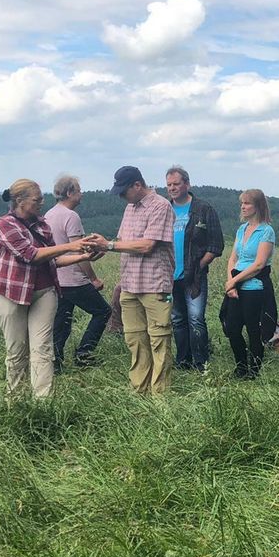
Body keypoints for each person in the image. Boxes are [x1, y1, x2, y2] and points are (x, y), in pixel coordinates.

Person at [0, 179, 94, 398]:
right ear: (20, 201)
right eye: (37, 200)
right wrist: (71, 245)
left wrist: (83, 256)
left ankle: (43, 401)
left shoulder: (42, 224)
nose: (41, 203)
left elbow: (52, 260)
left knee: (43, 349)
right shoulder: (4, 224)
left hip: (44, 292)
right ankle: (15, 399)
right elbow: (30, 255)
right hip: (12, 294)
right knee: (17, 351)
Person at [97, 166, 176, 395]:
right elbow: (122, 240)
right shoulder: (130, 207)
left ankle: (160, 396)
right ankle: (139, 391)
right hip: (129, 285)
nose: (122, 196)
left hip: (154, 285)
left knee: (159, 340)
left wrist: (108, 245)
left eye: (124, 191)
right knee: (135, 339)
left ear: (137, 185)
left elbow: (147, 245)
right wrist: (98, 248)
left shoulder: (161, 206)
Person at [45, 176, 111, 372]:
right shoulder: (71, 216)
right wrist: (93, 279)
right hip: (74, 280)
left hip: (57, 279)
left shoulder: (49, 214)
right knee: (103, 312)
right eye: (79, 190)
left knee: (62, 321)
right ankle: (84, 354)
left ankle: (55, 362)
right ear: (69, 193)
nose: (81, 194)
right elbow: (79, 252)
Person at [164, 166, 224, 372]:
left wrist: (198, 266)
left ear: (187, 184)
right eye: (169, 185)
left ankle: (201, 363)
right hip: (169, 276)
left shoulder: (203, 209)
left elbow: (216, 245)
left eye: (176, 184)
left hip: (195, 277)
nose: (172, 188)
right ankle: (183, 362)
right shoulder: (164, 209)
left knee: (196, 318)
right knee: (177, 320)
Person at [223, 189, 275, 379]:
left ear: (258, 206)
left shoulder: (266, 231)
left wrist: (234, 281)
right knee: (232, 328)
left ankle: (254, 370)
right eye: (242, 203)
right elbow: (233, 258)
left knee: (254, 329)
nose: (243, 207)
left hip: (254, 288)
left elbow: (259, 264)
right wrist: (231, 284)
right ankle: (241, 366)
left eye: (247, 203)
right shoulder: (241, 229)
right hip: (236, 286)